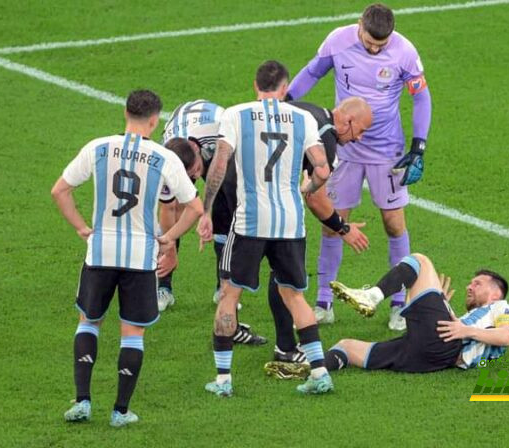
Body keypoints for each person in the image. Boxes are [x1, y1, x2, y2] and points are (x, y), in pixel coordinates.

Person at [51, 90, 203, 427]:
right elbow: (194, 207)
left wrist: (81, 227)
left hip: (101, 251)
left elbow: (59, 190)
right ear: (154, 120)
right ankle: (120, 411)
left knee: (89, 321)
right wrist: (170, 238)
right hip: (139, 257)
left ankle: (82, 402)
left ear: (125, 113)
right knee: (132, 332)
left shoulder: (98, 147)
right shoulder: (164, 158)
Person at [287, 3, 433, 331]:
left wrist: (418, 146)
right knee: (332, 222)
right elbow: (312, 71)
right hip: (344, 148)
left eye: (381, 45)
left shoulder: (405, 52)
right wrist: (286, 103)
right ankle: (323, 301)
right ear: (359, 26)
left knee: (394, 224)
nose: (374, 48)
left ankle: (399, 303)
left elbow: (422, 98)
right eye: (370, 42)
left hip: (387, 151)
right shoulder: (338, 41)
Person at [197, 60, 333, 396]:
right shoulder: (303, 118)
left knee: (230, 294)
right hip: (290, 222)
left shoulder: (236, 114)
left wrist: (206, 209)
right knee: (295, 296)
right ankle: (319, 373)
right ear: (285, 88)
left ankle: (224, 380)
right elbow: (323, 170)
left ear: (255, 86)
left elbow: (219, 164)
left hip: (250, 221)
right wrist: (307, 189)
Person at [265, 253, 509, 378]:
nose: (469, 286)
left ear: (496, 293)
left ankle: (372, 296)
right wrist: (438, 302)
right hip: (426, 357)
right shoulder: (471, 317)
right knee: (347, 346)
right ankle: (310, 368)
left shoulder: (503, 308)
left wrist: (465, 329)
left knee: (420, 261)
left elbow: (507, 336)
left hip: (445, 347)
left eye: (478, 283)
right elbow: (454, 330)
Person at [268, 97, 373, 363]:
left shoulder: (308, 108)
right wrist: (343, 228)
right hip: (275, 207)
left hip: (246, 196)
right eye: (360, 131)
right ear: (347, 120)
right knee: (287, 276)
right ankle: (287, 349)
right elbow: (315, 197)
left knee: (232, 285)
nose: (359, 138)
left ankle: (226, 350)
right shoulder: (325, 138)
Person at [156, 102, 267, 345]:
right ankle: (163, 287)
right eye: (188, 177)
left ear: (198, 153)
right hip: (187, 135)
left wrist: (207, 212)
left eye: (195, 172)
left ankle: (223, 286)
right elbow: (168, 208)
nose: (195, 178)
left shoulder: (221, 138)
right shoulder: (165, 162)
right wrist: (170, 247)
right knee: (171, 221)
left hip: (219, 148)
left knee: (226, 204)